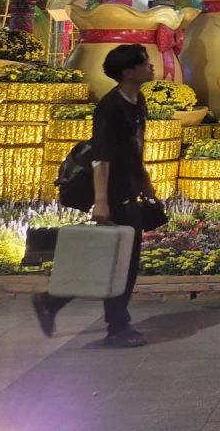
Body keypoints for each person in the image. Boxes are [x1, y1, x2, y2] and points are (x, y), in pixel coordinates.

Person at [32, 44, 157, 347]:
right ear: (128, 72)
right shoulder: (110, 107)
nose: (151, 67)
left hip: (128, 188)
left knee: (112, 256)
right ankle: (117, 327)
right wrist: (101, 201)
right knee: (123, 260)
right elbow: (101, 156)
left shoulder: (138, 101)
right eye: (145, 63)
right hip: (112, 194)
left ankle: (51, 301)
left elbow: (135, 147)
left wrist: (145, 181)